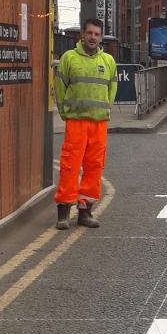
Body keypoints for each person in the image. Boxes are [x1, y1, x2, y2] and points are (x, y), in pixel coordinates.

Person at [54, 17, 117, 229]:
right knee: (70, 165)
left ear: (101, 37)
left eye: (97, 34)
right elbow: (60, 87)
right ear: (82, 34)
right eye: (89, 33)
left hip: (99, 123)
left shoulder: (108, 61)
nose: (93, 37)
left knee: (94, 167)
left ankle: (85, 211)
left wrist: (105, 108)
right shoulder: (69, 58)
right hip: (76, 121)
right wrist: (65, 112)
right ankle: (64, 212)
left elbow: (112, 89)